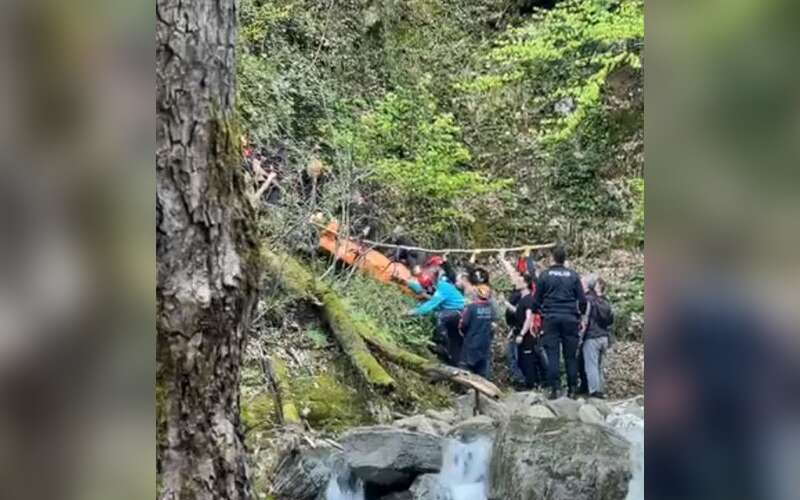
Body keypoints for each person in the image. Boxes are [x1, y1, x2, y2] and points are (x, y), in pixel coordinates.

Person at [532, 244, 587, 399]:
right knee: (570, 356)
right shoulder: (573, 275)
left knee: (553, 354)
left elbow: (536, 300)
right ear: (565, 259)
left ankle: (554, 389)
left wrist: (536, 315)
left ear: (552, 258)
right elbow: (582, 300)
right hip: (570, 318)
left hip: (550, 318)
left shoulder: (544, 275)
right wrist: (581, 317)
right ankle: (572, 390)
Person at [406, 264, 465, 365]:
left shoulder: (442, 287)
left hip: (458, 311)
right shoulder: (437, 286)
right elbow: (427, 296)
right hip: (450, 310)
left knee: (439, 317)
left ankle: (442, 344)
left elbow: (431, 304)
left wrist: (412, 312)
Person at [581, 275, 614, 398]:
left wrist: (581, 336)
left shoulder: (589, 300)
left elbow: (585, 319)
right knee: (600, 366)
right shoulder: (606, 301)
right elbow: (611, 320)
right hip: (604, 337)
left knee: (591, 365)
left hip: (592, 336)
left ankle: (594, 391)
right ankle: (601, 390)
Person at [515, 274, 548, 389]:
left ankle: (531, 383)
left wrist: (521, 334)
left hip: (528, 335)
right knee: (522, 358)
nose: (516, 282)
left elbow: (529, 318)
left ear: (525, 284)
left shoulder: (529, 299)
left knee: (528, 359)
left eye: (519, 280)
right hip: (522, 332)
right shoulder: (522, 299)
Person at [459, 283, 497, 378]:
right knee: (483, 368)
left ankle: (468, 388)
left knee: (466, 367)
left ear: (477, 294)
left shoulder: (471, 308)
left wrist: (462, 332)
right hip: (485, 342)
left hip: (471, 341)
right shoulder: (491, 308)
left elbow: (464, 324)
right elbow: (493, 325)